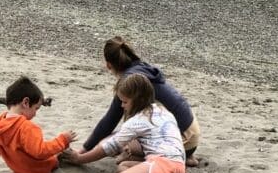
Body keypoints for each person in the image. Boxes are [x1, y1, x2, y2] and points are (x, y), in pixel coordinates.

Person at [82, 37, 201, 165]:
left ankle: (138, 157)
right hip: (192, 132)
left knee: (109, 143)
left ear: (108, 65)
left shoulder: (129, 83)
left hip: (181, 140)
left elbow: (109, 121)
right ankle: (187, 156)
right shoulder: (143, 68)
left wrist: (84, 150)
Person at [64, 74, 185, 173]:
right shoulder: (163, 111)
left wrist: (80, 159)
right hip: (179, 167)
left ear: (138, 100)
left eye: (125, 102)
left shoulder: (137, 121)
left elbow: (109, 147)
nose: (122, 106)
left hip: (163, 166)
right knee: (124, 166)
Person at [0, 76, 75, 173]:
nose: (35, 114)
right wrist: (63, 140)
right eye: (36, 108)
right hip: (40, 171)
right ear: (26, 103)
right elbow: (40, 152)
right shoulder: (27, 127)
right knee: (58, 153)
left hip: (19, 172)